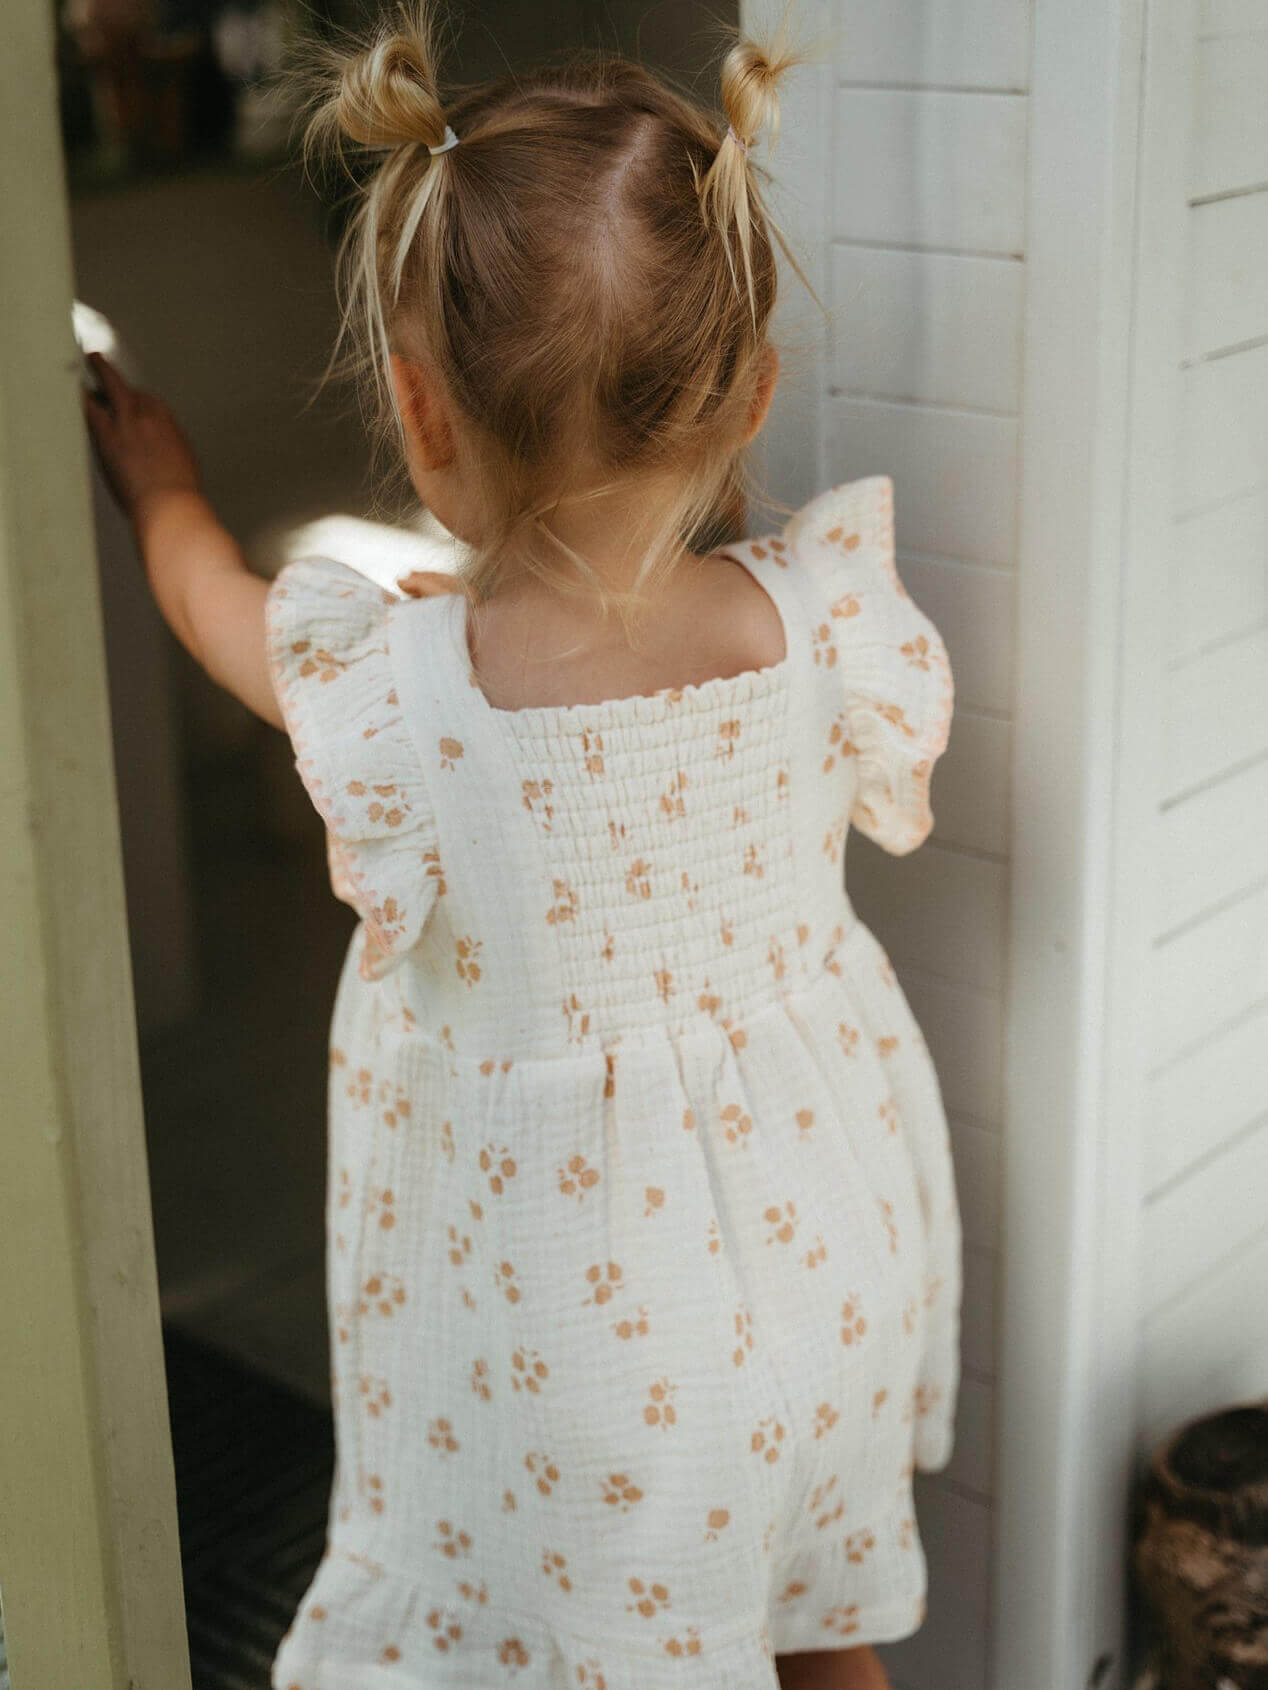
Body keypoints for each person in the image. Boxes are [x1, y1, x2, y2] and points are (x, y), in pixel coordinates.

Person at [81, 5, 961, 1685]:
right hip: (832, 1261)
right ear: (750, 391)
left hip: (594, 1348)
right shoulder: (827, 614)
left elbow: (210, 605)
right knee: (814, 1623)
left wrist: (155, 483)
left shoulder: (401, 692)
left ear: (418, 416)